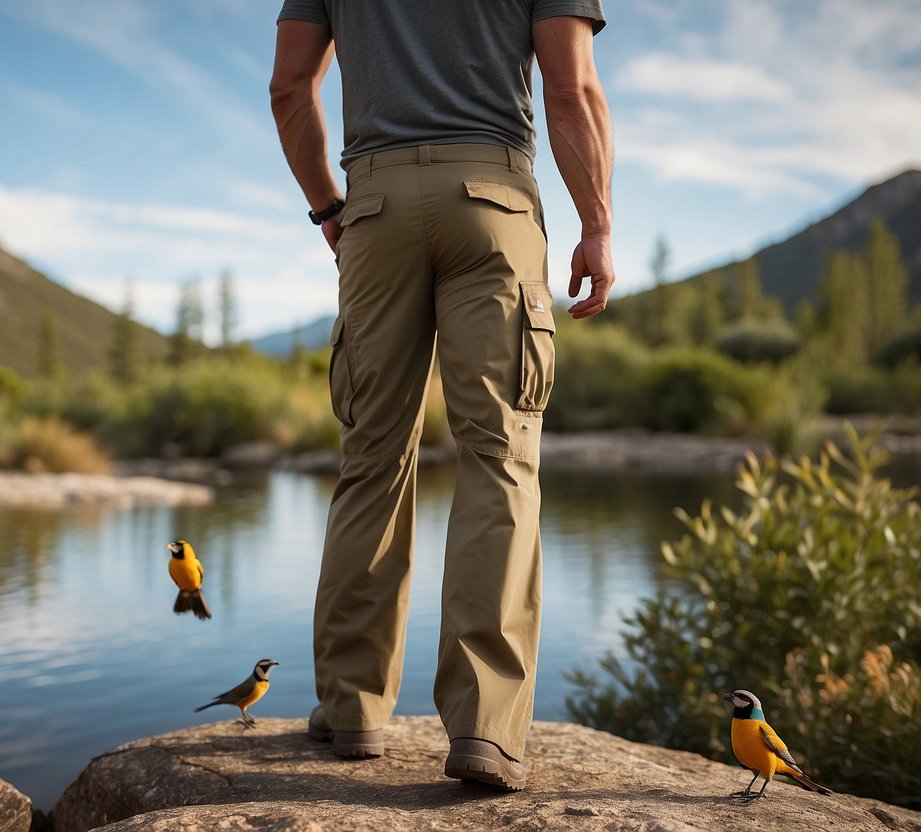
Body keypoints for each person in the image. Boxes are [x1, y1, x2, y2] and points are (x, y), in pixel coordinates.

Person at [269, 0, 614, 791]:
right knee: (498, 459)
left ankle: (352, 709)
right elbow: (572, 90)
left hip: (376, 205)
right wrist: (596, 224)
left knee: (373, 456)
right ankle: (484, 730)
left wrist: (330, 207)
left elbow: (290, 88)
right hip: (493, 200)